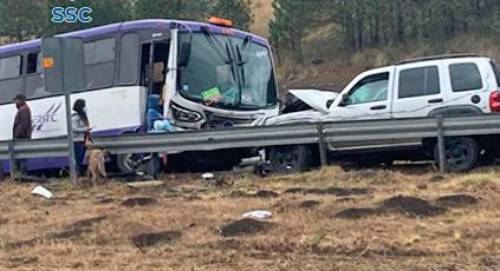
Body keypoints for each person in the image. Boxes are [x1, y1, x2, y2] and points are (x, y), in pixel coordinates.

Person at [12, 94, 32, 177]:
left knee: (22, 157)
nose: (15, 103)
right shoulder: (23, 109)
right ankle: (21, 175)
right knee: (20, 157)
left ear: (20, 100)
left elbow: (24, 124)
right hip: (21, 136)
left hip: (21, 138)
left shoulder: (23, 110)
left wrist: (18, 135)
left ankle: (23, 175)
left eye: (16, 100)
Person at [72, 99, 92, 175]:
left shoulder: (83, 116)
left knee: (83, 158)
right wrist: (85, 129)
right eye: (84, 105)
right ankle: (77, 174)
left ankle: (81, 173)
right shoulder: (75, 117)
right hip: (77, 140)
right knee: (79, 159)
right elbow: (73, 128)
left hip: (83, 140)